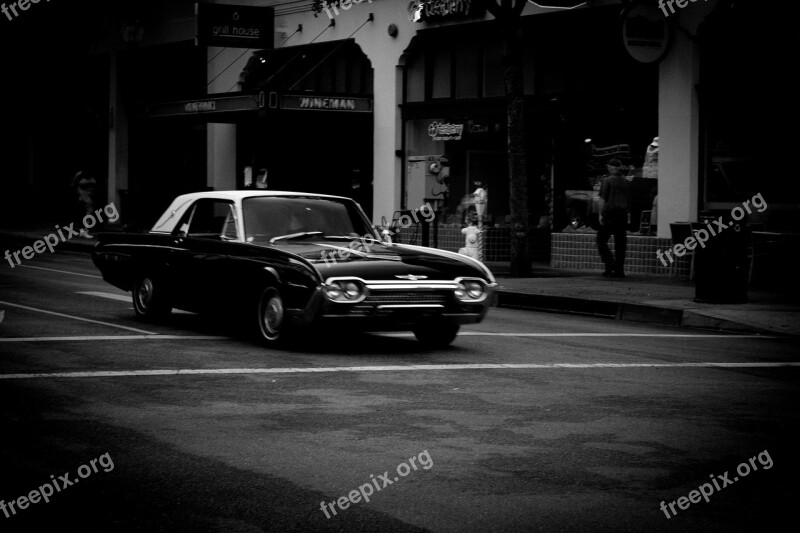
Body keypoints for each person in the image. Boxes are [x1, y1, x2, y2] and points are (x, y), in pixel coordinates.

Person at [596, 159, 631, 277]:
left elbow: (602, 199)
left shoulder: (607, 181)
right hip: (622, 215)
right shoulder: (626, 182)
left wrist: (600, 214)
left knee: (601, 241)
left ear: (611, 168)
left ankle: (609, 265)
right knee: (620, 244)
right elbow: (629, 200)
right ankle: (619, 270)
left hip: (610, 215)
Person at [71, 170, 97, 239]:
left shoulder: (93, 174)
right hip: (83, 195)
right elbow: (73, 184)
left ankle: (84, 231)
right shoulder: (80, 174)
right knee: (88, 212)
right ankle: (84, 231)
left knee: (88, 213)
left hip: (91, 195)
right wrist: (80, 193)